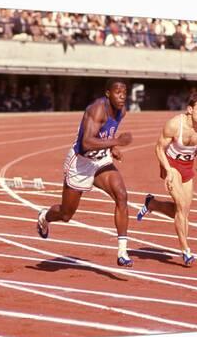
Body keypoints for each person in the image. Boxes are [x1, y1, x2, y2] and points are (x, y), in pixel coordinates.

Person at [36, 79, 134, 267]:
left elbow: (106, 133)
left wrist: (111, 147)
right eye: (117, 92)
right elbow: (86, 143)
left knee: (122, 195)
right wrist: (116, 142)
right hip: (80, 163)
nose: (122, 96)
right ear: (107, 93)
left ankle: (122, 252)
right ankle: (44, 216)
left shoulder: (122, 110)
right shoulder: (96, 110)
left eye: (125, 92)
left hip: (101, 160)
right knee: (66, 214)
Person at [136, 91, 197, 267]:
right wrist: (168, 169)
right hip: (171, 166)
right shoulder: (174, 125)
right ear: (189, 110)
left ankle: (152, 204)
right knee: (181, 206)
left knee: (183, 211)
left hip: (187, 169)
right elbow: (158, 148)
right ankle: (186, 250)